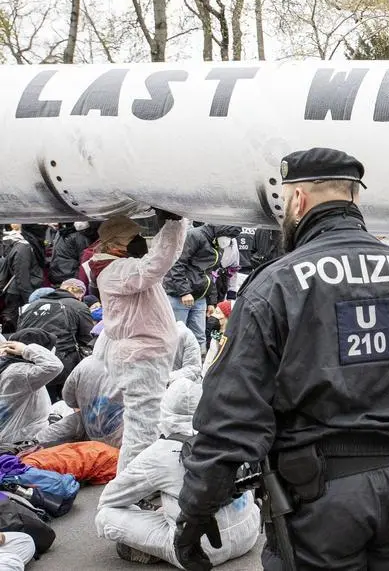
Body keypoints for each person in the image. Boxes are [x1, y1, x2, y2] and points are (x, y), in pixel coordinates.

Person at [176, 148, 389, 571]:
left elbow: (232, 412)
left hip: (319, 499)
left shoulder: (276, 285)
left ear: (297, 200)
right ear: (355, 198)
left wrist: (197, 508)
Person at [96, 378, 260, 567]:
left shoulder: (160, 452)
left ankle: (155, 546)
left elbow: (110, 499)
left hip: (200, 549)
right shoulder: (230, 433)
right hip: (249, 533)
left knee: (105, 515)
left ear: (164, 411)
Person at [93, 213, 188, 471]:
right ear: (114, 245)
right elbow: (156, 263)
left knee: (145, 427)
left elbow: (164, 256)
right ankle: (126, 493)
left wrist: (175, 225)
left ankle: (134, 487)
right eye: (132, 238)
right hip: (140, 358)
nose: (139, 242)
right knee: (141, 432)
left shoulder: (123, 266)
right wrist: (173, 224)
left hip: (144, 356)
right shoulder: (115, 271)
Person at [16, 278, 94, 402]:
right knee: (63, 402)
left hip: (29, 360)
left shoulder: (33, 305)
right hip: (63, 363)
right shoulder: (78, 306)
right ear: (79, 295)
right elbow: (88, 338)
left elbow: (20, 331)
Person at [164, 224, 242, 346]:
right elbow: (177, 264)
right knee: (177, 338)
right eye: (228, 236)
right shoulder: (195, 236)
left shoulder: (216, 243)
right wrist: (184, 292)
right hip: (180, 296)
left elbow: (211, 274)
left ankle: (199, 363)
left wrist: (212, 301)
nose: (228, 240)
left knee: (199, 337)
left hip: (200, 297)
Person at [0, 328, 63, 444]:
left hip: (17, 432)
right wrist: (25, 349)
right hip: (24, 439)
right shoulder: (20, 373)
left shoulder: (9, 366)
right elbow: (54, 366)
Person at [1, 224, 48, 334]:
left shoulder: (22, 245)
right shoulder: (24, 247)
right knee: (13, 320)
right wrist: (29, 299)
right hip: (19, 293)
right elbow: (22, 276)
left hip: (17, 291)